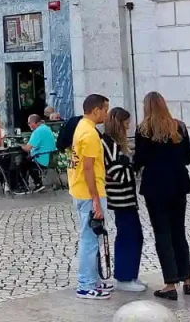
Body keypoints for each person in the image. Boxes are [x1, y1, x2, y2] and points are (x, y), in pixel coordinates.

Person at [134, 91, 190, 301]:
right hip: (178, 183)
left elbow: (140, 160)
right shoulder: (179, 127)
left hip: (155, 186)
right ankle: (187, 280)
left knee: (162, 234)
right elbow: (187, 158)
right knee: (179, 232)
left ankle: (170, 283)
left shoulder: (143, 130)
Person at [70, 93, 112, 300]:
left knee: (93, 237)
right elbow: (88, 168)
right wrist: (95, 199)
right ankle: (85, 284)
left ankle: (93, 280)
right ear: (96, 110)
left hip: (80, 190)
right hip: (89, 193)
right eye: (105, 110)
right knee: (90, 239)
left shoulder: (82, 127)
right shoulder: (90, 134)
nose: (107, 114)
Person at [102, 107, 146, 293]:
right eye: (126, 123)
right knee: (129, 236)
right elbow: (117, 173)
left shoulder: (114, 144)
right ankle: (124, 277)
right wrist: (132, 166)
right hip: (121, 197)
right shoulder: (110, 145)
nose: (128, 127)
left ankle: (130, 274)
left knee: (133, 235)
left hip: (125, 197)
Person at [21, 114, 54, 193]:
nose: (28, 125)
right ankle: (38, 184)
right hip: (50, 159)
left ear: (34, 123)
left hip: (41, 160)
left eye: (29, 123)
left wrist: (20, 146)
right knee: (28, 162)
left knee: (21, 164)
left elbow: (27, 148)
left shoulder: (37, 131)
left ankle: (23, 186)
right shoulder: (46, 128)